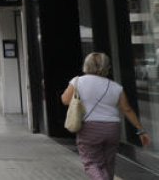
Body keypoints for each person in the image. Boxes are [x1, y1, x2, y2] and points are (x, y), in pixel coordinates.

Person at [61, 52, 151, 180]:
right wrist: (141, 131)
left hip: (89, 128)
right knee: (108, 164)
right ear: (107, 67)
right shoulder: (116, 87)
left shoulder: (77, 81)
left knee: (91, 162)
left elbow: (65, 100)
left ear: (86, 65)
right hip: (112, 129)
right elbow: (127, 109)